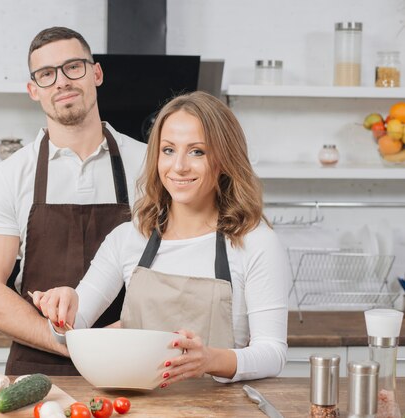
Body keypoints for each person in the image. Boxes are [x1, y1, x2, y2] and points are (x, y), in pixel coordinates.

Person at [32, 91, 291, 385]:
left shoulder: (255, 243)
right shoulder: (128, 238)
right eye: (168, 150)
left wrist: (210, 360)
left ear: (223, 159)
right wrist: (64, 308)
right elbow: (73, 330)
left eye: (197, 151)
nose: (178, 166)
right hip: (139, 408)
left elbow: (272, 353)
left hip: (222, 409)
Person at [0, 26, 146, 376]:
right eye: (47, 75)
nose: (61, 81)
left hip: (131, 357)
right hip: (37, 365)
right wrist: (67, 343)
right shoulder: (10, 175)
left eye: (73, 67)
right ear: (33, 90)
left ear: (96, 73)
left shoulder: (149, 165)